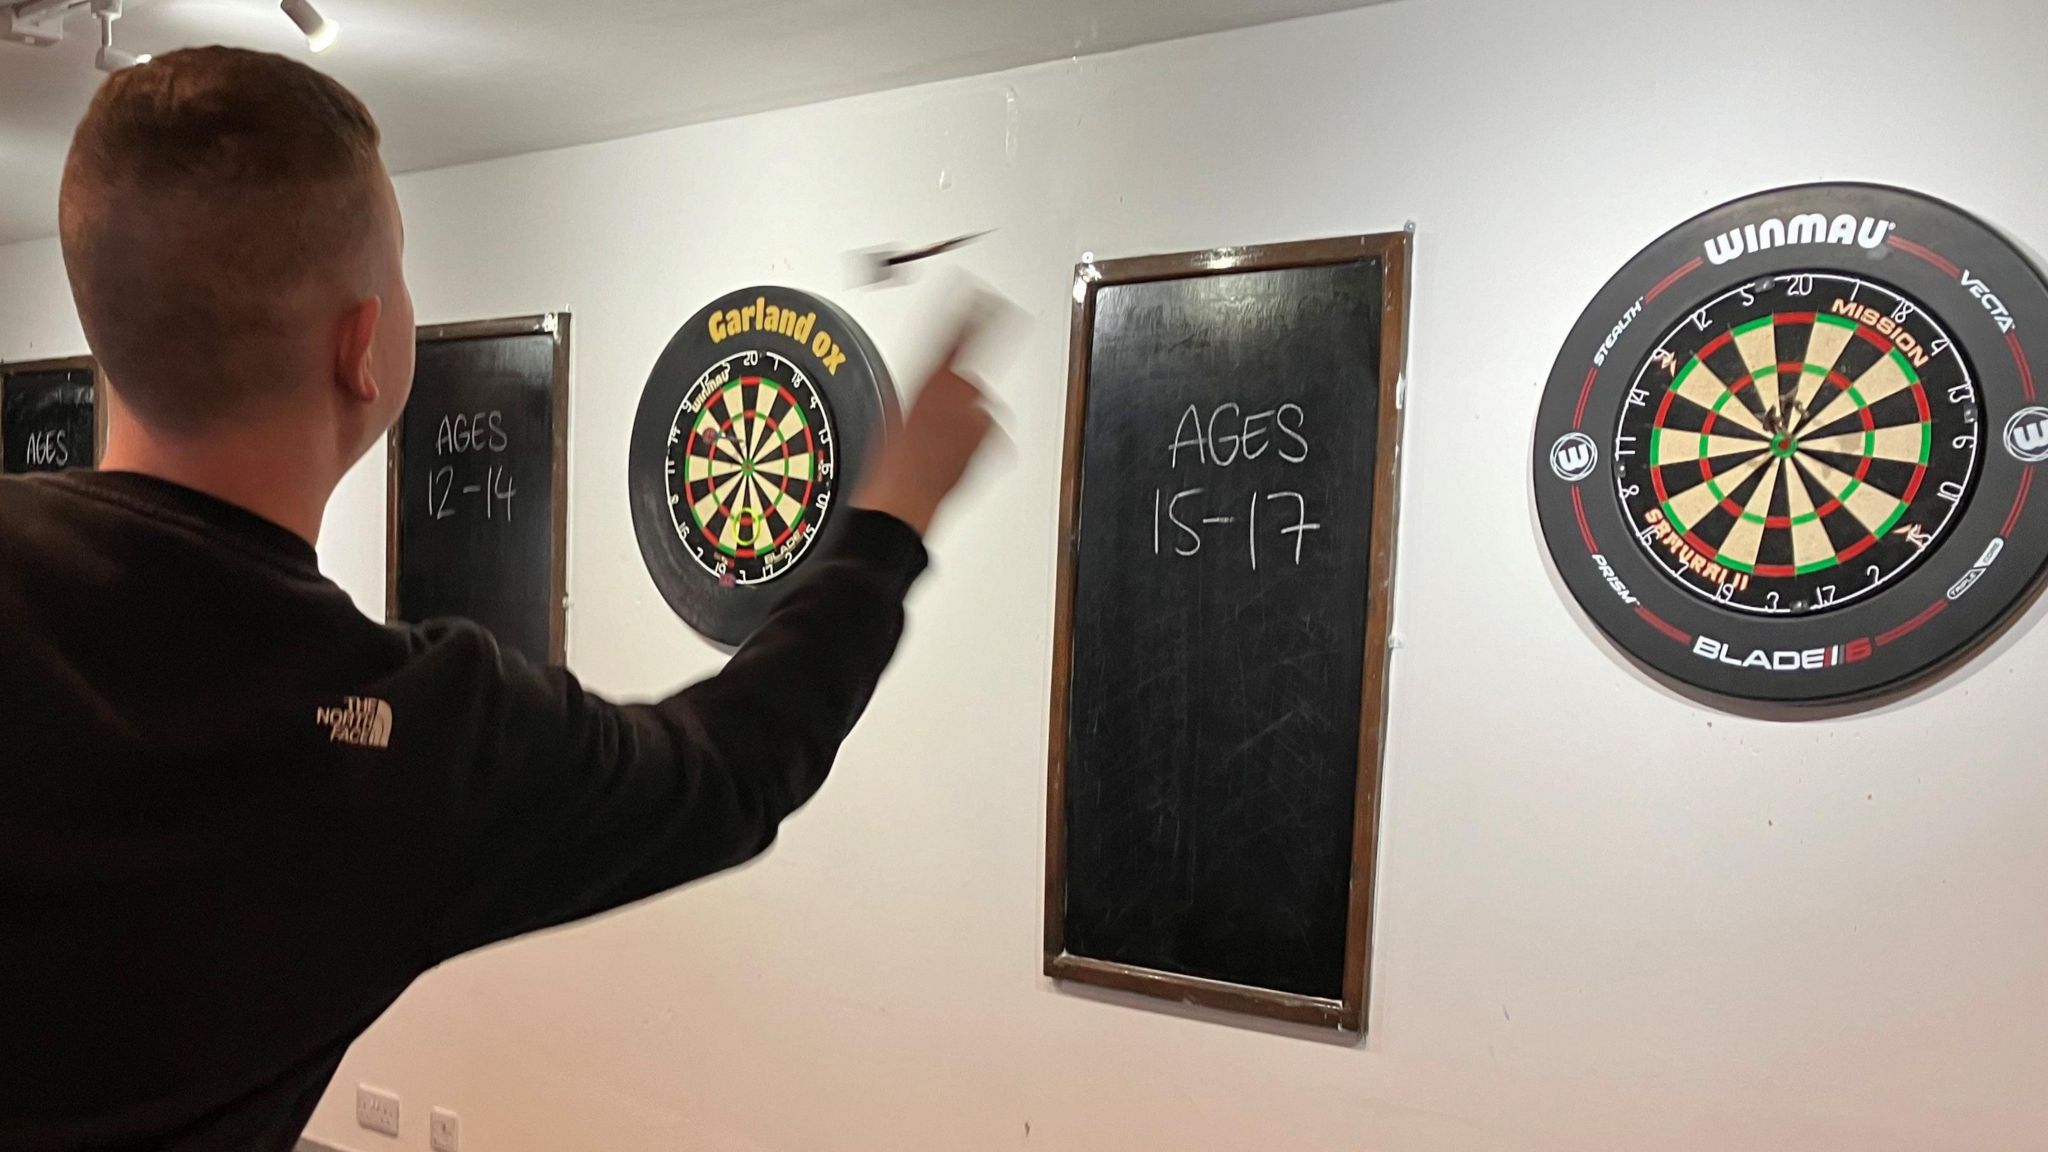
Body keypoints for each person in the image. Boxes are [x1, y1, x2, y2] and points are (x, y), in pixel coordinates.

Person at [0, 46, 996, 1152]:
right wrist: (890, 522)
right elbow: (732, 768)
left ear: (102, 321)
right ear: (361, 348)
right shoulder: (416, 737)